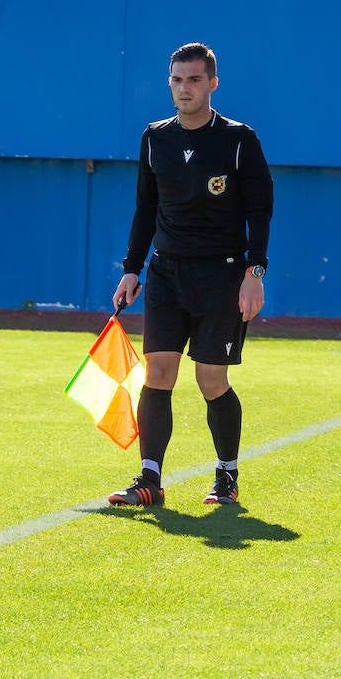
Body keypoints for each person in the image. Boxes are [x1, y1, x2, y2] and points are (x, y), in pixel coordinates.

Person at [109, 42, 273, 509]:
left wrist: (254, 271)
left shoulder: (239, 139)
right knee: (157, 373)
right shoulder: (154, 137)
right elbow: (146, 207)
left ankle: (226, 475)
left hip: (221, 276)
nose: (185, 88)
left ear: (212, 83)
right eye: (177, 80)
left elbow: (260, 211)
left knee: (209, 380)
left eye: (194, 80)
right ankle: (149, 481)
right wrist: (131, 269)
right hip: (165, 273)